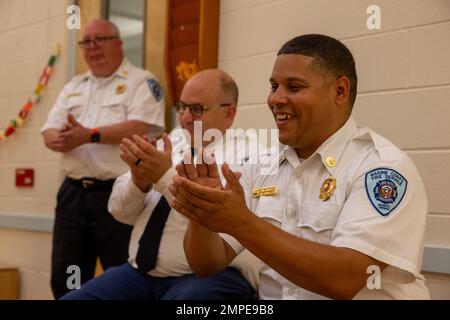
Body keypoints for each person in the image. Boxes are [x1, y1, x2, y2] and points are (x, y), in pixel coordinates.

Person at [170, 34, 430, 299]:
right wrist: (202, 213)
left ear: (340, 91)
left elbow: (345, 279)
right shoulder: (259, 165)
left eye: (294, 87)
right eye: (274, 86)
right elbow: (206, 264)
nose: (275, 99)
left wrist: (241, 222)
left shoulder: (381, 168)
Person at [60, 69, 261, 300]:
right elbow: (119, 212)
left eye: (196, 109)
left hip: (209, 277)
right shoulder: (171, 140)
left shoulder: (249, 157)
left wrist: (163, 175)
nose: (185, 118)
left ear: (229, 114)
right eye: (182, 107)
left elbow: (218, 217)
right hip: (138, 274)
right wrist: (139, 181)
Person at [41, 19, 165, 299]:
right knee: (67, 276)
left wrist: (90, 135)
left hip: (119, 194)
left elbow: (142, 126)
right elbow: (48, 130)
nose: (92, 47)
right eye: (86, 41)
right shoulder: (73, 86)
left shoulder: (141, 82)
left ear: (119, 43)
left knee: (121, 276)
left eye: (101, 39)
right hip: (73, 195)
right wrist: (59, 139)